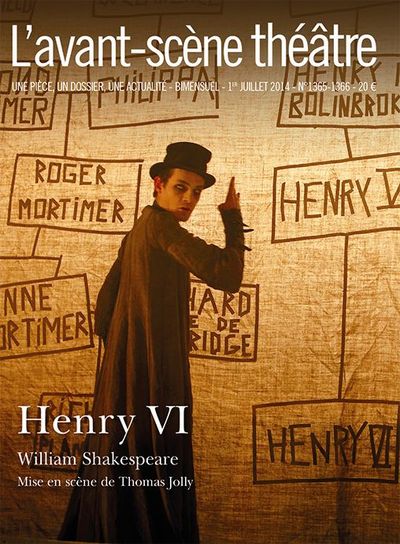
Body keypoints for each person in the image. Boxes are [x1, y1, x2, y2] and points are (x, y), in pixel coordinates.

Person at [59, 142, 250, 543]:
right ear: (158, 185)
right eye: (181, 187)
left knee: (124, 457)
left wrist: (123, 357)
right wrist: (232, 220)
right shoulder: (162, 228)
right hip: (151, 376)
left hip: (126, 377)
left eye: (196, 192)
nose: (189, 199)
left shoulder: (140, 229)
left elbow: (104, 307)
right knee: (155, 463)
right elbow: (226, 274)